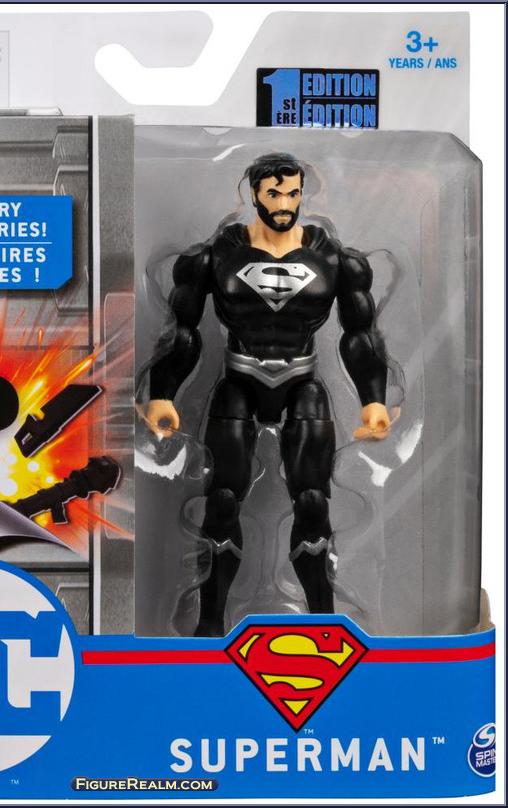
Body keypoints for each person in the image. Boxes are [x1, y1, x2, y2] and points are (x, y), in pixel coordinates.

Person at [145, 153, 392, 636]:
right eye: (274, 193)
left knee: (314, 504)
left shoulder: (335, 260)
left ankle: (324, 624)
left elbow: (360, 334)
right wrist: (163, 393)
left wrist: (373, 399)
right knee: (221, 502)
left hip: (302, 384)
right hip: (239, 381)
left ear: (303, 194)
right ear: (253, 193)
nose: (284, 203)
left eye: (292, 193)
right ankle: (210, 626)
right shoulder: (216, 258)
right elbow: (182, 330)